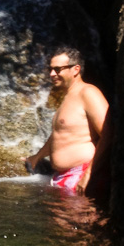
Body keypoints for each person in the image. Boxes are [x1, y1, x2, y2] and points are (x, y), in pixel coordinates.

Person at [25, 46, 109, 195]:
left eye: (58, 69)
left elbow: (108, 133)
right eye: (50, 69)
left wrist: (89, 174)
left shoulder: (88, 93)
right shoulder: (68, 97)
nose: (52, 74)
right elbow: (60, 135)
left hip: (81, 174)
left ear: (76, 69)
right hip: (64, 177)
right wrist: (37, 157)